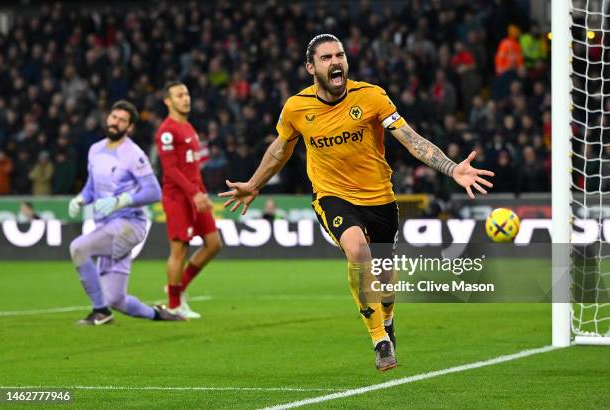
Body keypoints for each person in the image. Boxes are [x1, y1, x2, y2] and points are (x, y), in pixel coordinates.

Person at [219, 34, 493, 371]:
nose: (335, 62)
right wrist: (254, 184)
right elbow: (281, 148)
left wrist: (452, 169)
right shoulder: (296, 107)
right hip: (332, 196)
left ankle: (388, 318)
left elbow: (410, 139)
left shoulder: (372, 96)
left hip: (379, 197)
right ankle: (379, 339)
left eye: (340, 55)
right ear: (311, 67)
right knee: (357, 251)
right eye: (326, 57)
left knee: (384, 280)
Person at [68, 100, 184, 325]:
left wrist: (122, 200)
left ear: (129, 128)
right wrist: (81, 198)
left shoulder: (133, 154)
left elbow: (153, 191)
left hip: (129, 224)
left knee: (78, 248)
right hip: (106, 224)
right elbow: (92, 186)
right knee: (116, 299)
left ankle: (100, 313)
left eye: (122, 120)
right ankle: (158, 314)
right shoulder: (95, 150)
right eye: (114, 117)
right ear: (107, 118)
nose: (115, 123)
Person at [155, 81, 222, 319]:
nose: (186, 98)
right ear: (168, 101)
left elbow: (193, 168)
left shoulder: (189, 127)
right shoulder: (166, 130)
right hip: (177, 197)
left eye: (187, 94)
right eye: (179, 95)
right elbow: (171, 170)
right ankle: (174, 306)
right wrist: (193, 193)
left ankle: (177, 288)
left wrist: (201, 193)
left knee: (214, 244)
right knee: (179, 250)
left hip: (196, 194)